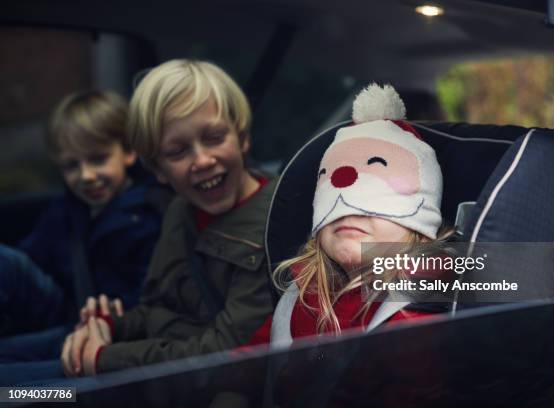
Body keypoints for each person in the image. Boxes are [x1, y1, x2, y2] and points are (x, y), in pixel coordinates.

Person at [57, 59, 276, 379]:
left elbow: (228, 355)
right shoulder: (179, 211)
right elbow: (157, 310)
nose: (202, 160)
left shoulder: (274, 225)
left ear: (242, 139)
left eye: (214, 138)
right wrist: (107, 325)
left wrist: (106, 358)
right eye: (177, 152)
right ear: (158, 170)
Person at [248, 83, 453, 347]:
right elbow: (252, 364)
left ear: (420, 230)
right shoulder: (298, 293)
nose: (348, 216)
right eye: (334, 211)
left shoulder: (421, 310)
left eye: (372, 206)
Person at [0, 90, 165, 338]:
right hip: (64, 309)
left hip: (107, 328)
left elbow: (151, 301)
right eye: (71, 166)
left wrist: (113, 317)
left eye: (98, 159)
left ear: (129, 152)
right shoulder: (67, 209)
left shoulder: (147, 215)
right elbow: (31, 259)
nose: (86, 175)